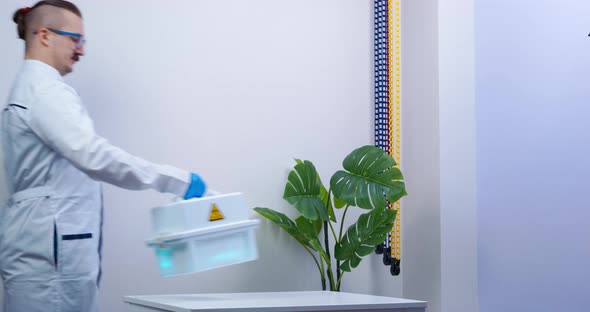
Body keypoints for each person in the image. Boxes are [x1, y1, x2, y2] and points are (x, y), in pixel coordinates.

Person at [0, 1, 209, 311]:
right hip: (49, 262)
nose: (81, 50)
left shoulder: (30, 87)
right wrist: (173, 180)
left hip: (40, 251)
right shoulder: (46, 91)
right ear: (44, 35)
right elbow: (94, 156)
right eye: (75, 39)